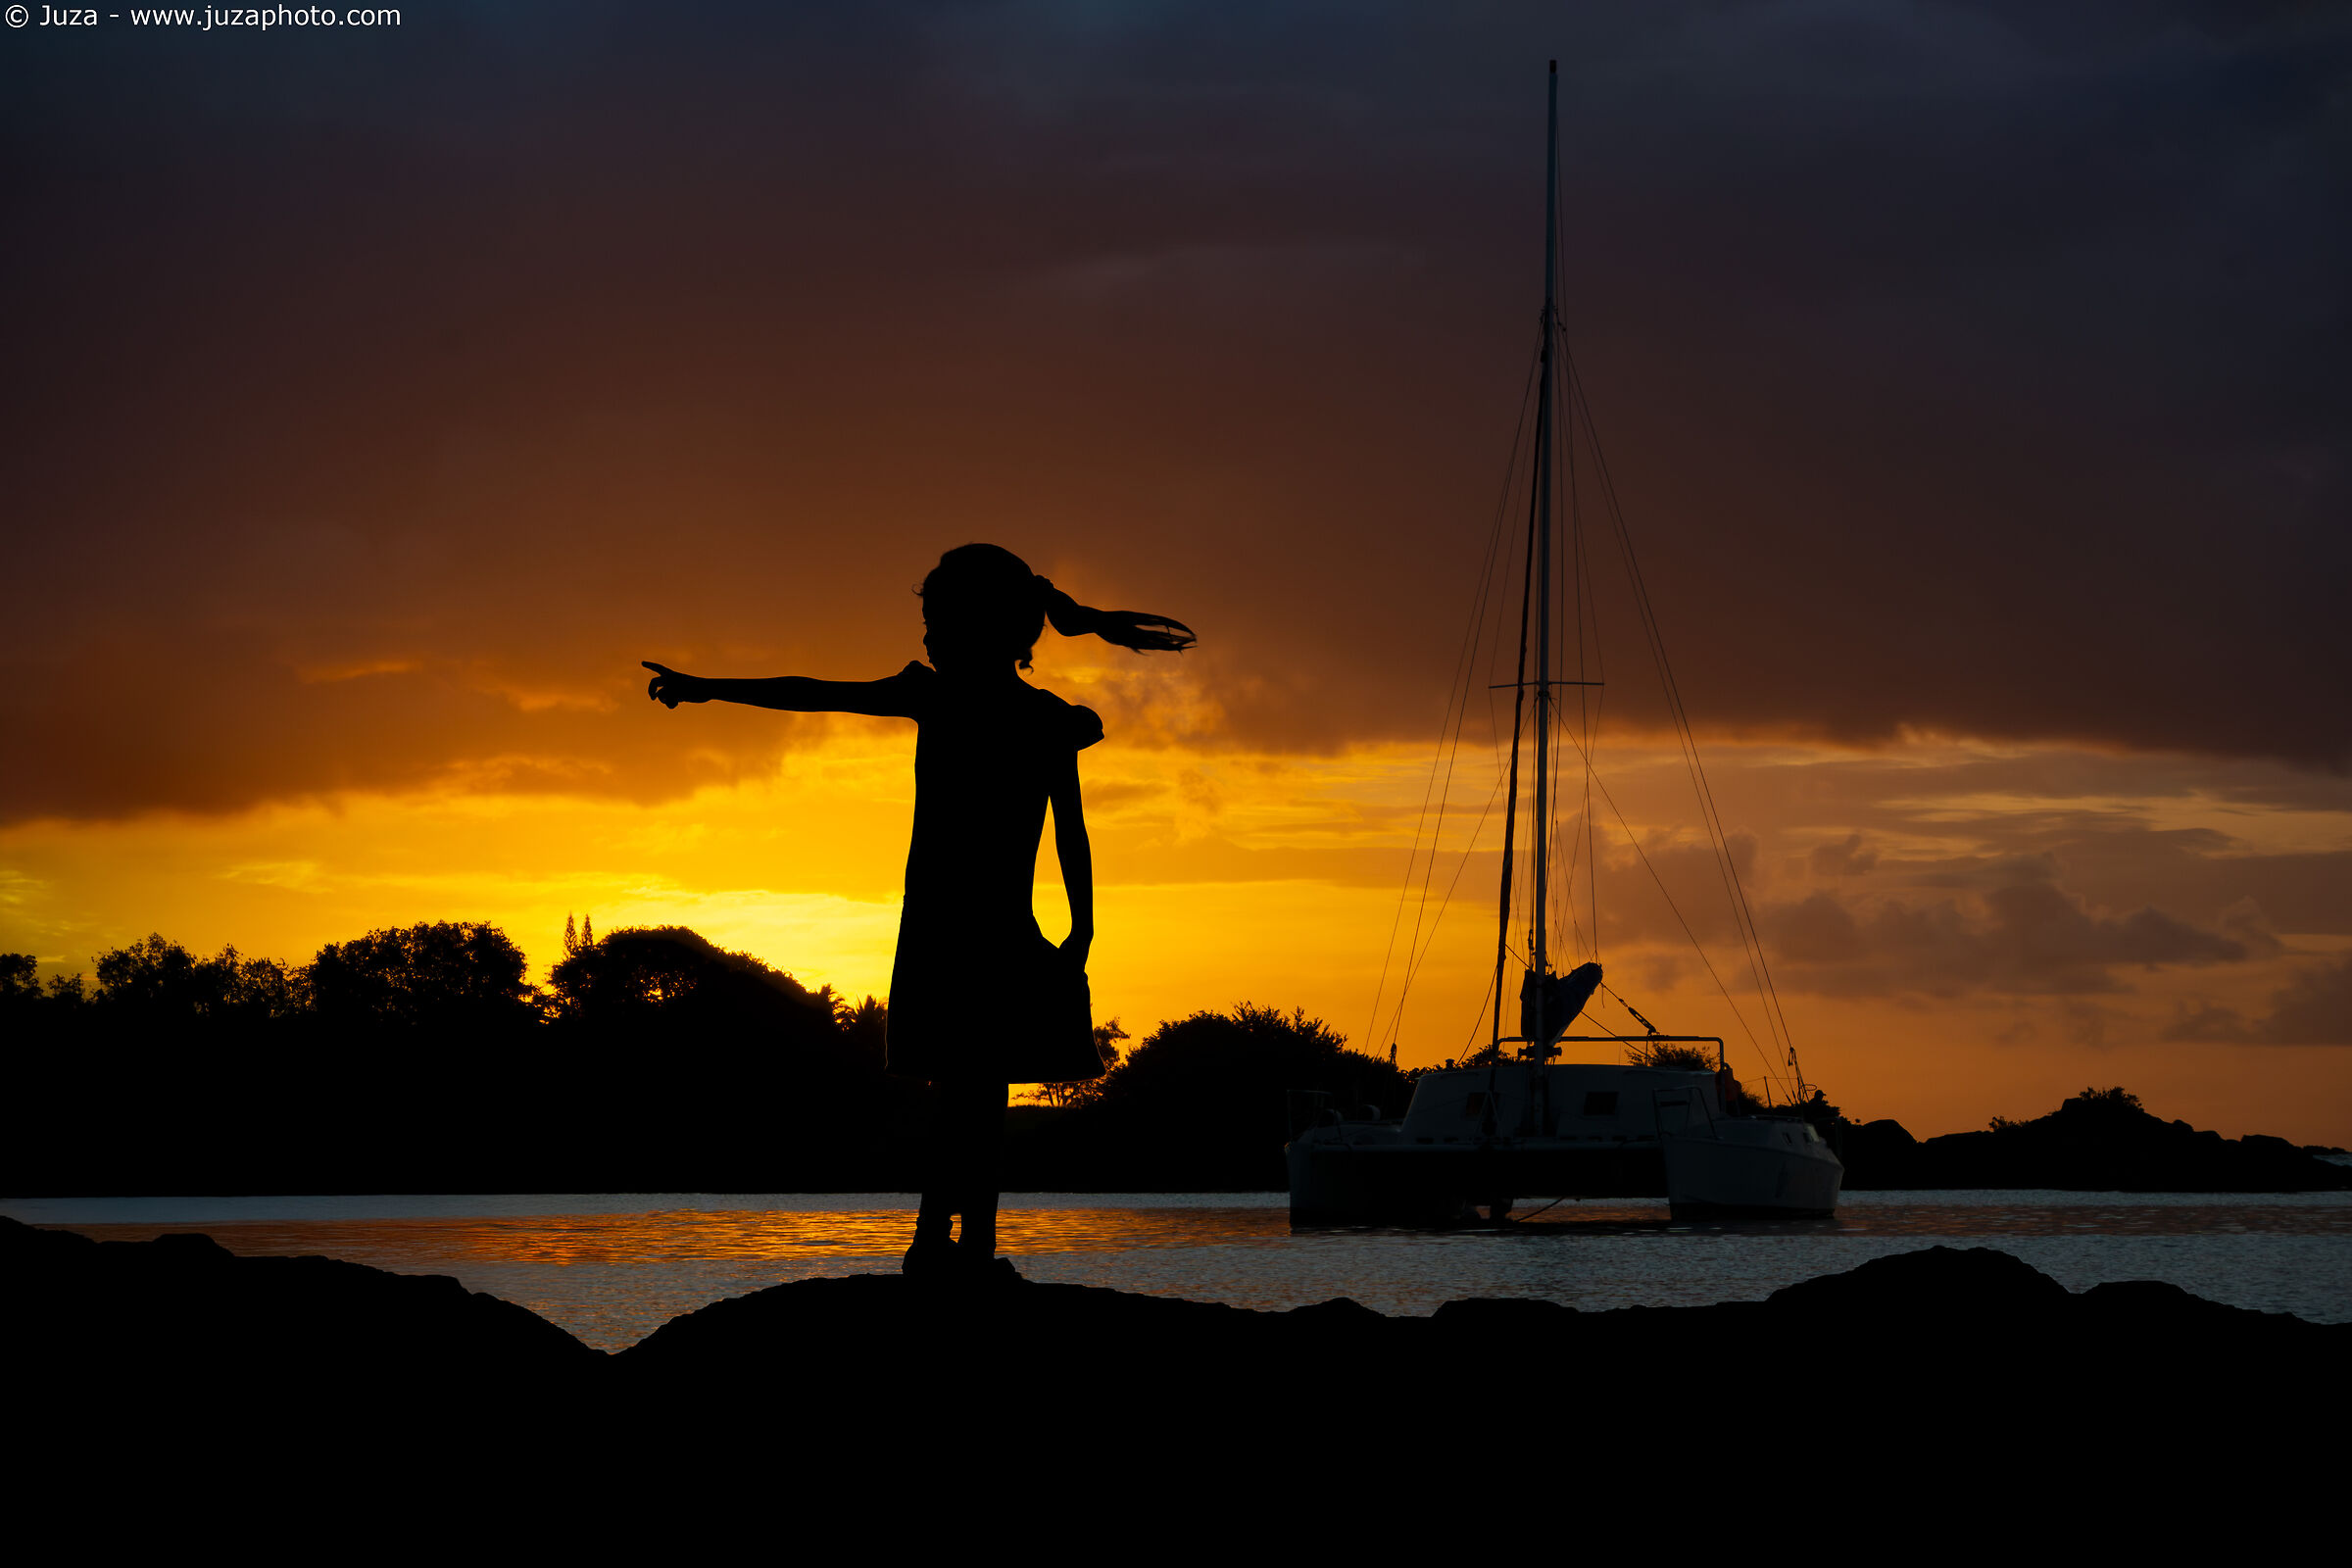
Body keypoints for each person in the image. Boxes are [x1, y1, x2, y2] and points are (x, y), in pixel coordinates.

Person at [643, 543, 1194, 1281]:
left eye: (935, 620)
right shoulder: (1018, 713)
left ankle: (950, 1243)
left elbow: (1072, 831)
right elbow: (809, 691)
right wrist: (709, 687)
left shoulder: (1017, 715)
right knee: (975, 1093)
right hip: (970, 932)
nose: (927, 636)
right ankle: (951, 1243)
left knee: (970, 1093)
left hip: (974, 932)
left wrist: (1083, 931)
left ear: (978, 625)